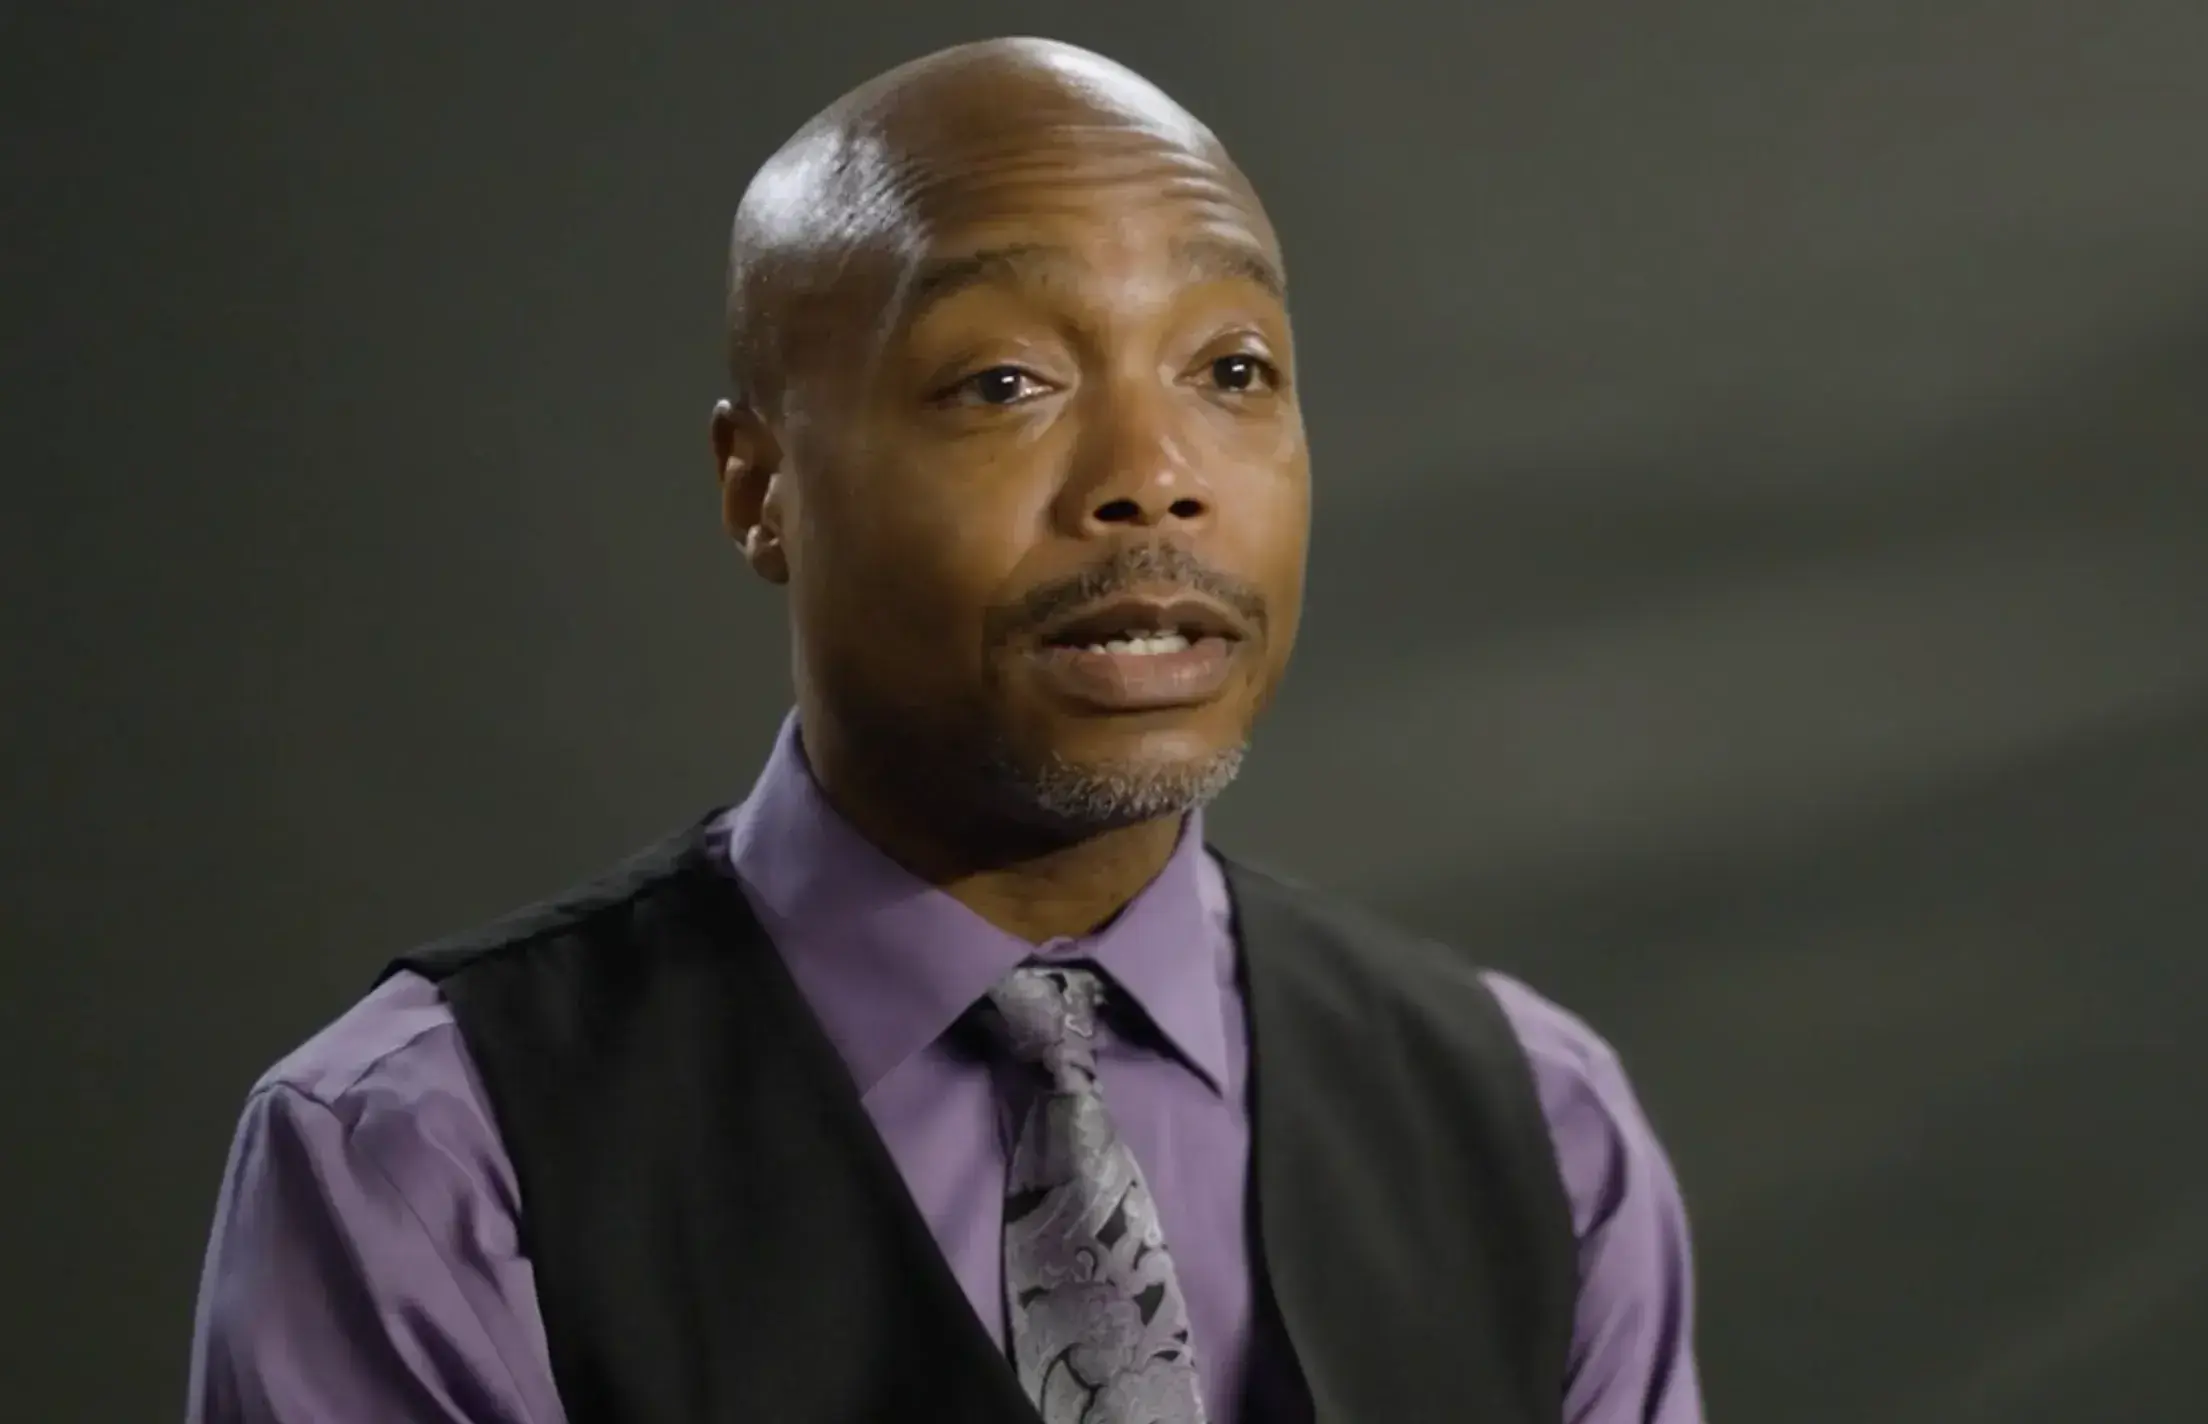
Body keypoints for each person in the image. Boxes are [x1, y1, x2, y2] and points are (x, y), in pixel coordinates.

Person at [185, 37, 1708, 1424]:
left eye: (1230, 371)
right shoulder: (432, 1157)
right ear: (758, 486)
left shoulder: (1537, 1127)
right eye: (1003, 382)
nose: (1155, 476)